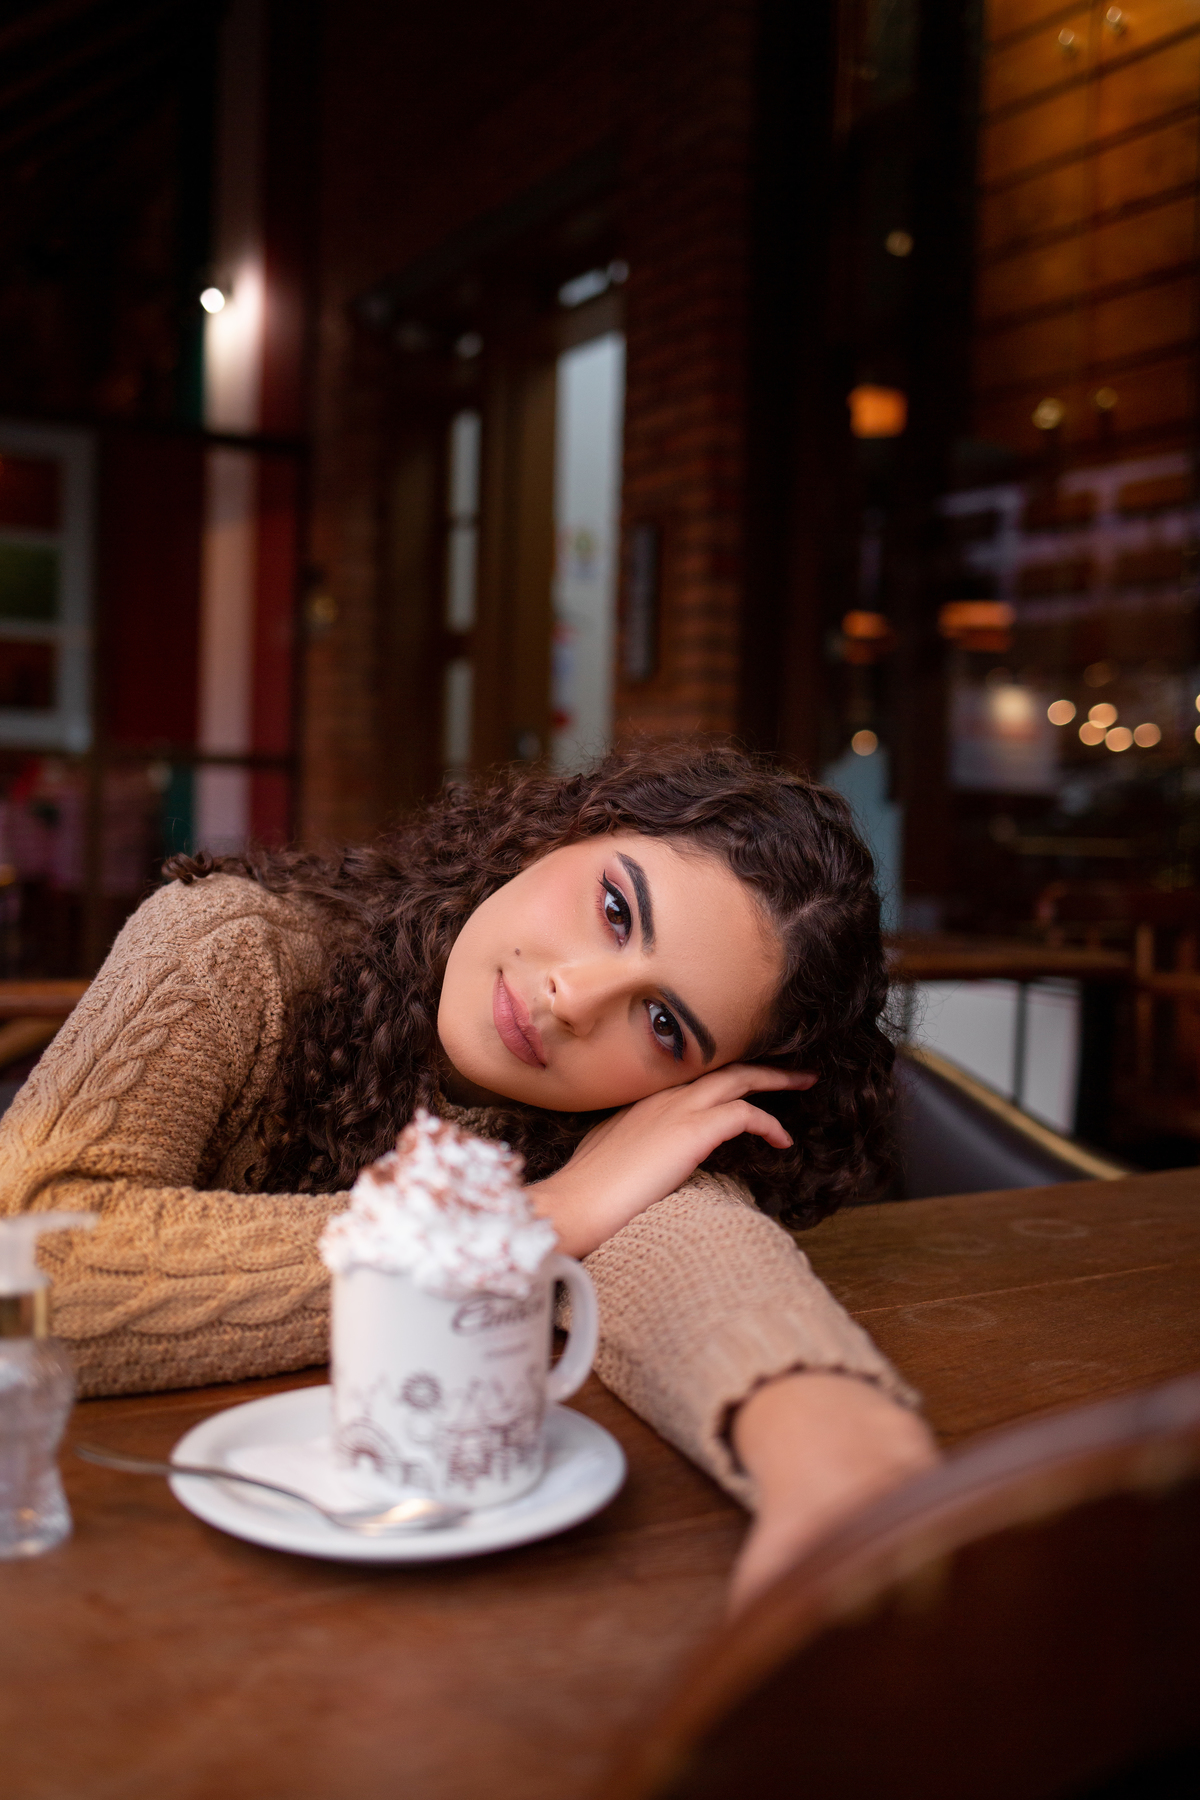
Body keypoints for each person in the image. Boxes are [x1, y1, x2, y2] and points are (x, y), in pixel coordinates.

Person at [0, 742, 934, 1607]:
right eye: (615, 910)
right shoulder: (231, 946)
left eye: (662, 1025)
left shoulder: (598, 1126)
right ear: (565, 831)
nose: (574, 999)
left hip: (372, 1610)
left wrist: (843, 1458)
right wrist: (536, 1220)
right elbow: (30, 1267)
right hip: (90, 1571)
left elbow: (697, 1250)